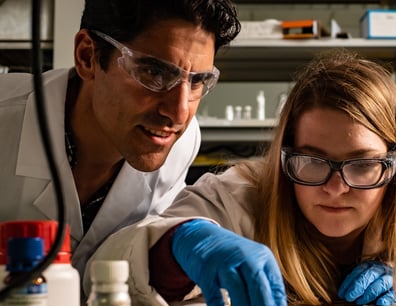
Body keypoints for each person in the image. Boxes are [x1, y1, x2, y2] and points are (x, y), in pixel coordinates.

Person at [85, 50, 396, 306]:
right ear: (285, 155)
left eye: (362, 164)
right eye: (313, 162)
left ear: (395, 164)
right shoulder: (234, 199)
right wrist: (180, 245)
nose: (335, 188)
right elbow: (105, 271)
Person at [0, 0, 241, 279]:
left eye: (197, 81)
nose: (178, 112)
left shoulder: (182, 142)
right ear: (87, 56)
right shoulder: (6, 120)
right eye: (154, 72)